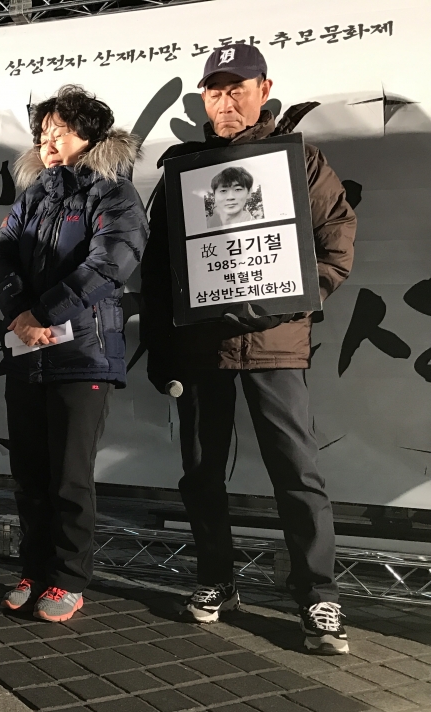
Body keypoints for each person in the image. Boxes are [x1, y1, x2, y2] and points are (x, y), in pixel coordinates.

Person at [140, 44, 355, 654]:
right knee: (201, 471)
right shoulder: (183, 168)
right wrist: (160, 345)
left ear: (265, 89)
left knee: (297, 471)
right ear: (203, 100)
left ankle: (318, 595)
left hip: (276, 345)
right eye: (215, 92)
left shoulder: (299, 160)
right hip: (200, 346)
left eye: (238, 90)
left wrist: (294, 297)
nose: (226, 102)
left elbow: (336, 240)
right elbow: (159, 265)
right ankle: (216, 578)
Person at [0, 85, 149, 622]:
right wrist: (20, 313)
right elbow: (1, 254)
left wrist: (43, 313)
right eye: (42, 133)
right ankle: (32, 570)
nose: (48, 141)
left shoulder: (116, 194)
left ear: (90, 134)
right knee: (29, 473)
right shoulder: (33, 194)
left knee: (70, 476)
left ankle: (69, 578)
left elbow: (110, 263)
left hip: (84, 354)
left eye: (60, 131)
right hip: (26, 350)